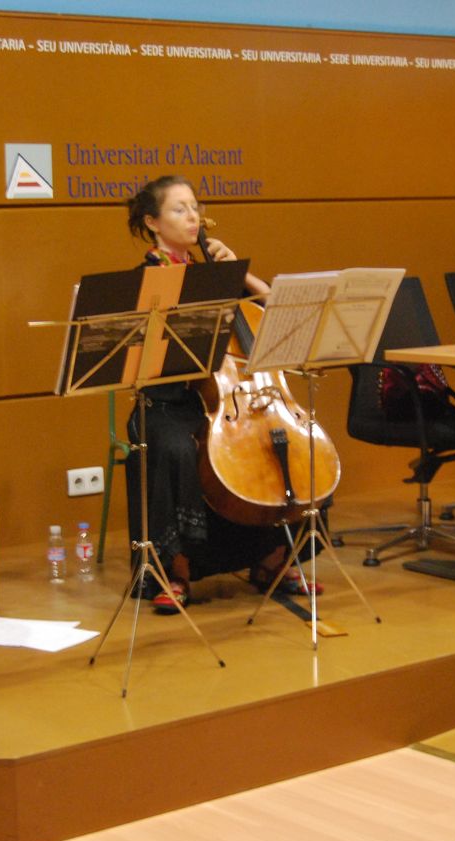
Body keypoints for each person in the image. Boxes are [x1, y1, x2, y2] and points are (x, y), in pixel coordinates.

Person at [123, 175, 320, 614]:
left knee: (286, 442)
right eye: (179, 209)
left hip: (223, 402)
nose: (192, 216)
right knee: (175, 448)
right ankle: (175, 570)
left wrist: (239, 274)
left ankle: (272, 557)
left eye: (195, 207)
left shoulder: (213, 274)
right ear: (153, 222)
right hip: (168, 403)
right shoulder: (145, 281)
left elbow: (276, 309)